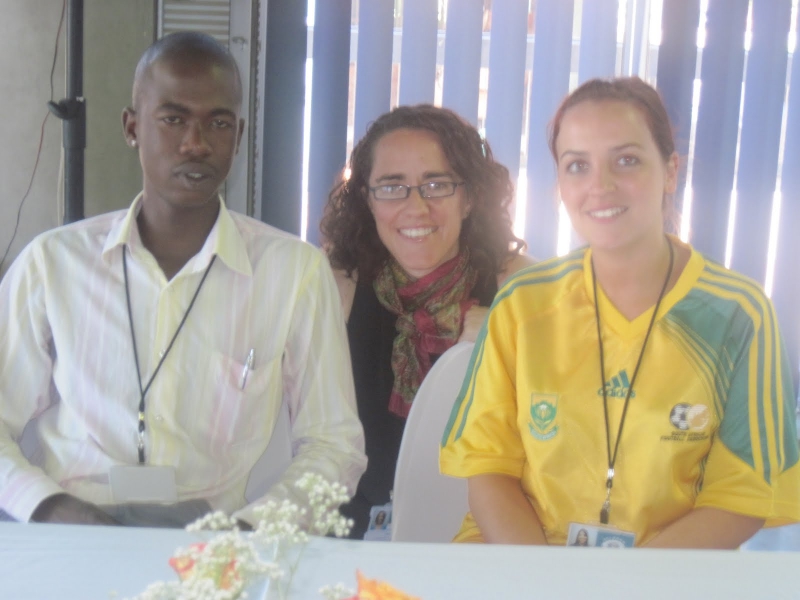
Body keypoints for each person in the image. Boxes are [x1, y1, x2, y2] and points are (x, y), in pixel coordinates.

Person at [0, 32, 365, 528]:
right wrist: (48, 507)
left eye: (218, 123)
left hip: (214, 537)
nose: (196, 144)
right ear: (132, 127)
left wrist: (251, 531)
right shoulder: (51, 264)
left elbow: (335, 445)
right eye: (173, 119)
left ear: (238, 136)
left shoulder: (293, 272)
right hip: (70, 524)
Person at [440, 77, 800, 548]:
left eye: (626, 160)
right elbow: (488, 468)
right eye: (577, 166)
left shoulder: (737, 315)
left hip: (668, 570)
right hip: (520, 556)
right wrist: (542, 578)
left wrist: (627, 582)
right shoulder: (521, 304)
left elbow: (744, 494)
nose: (601, 186)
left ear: (670, 171)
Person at [321, 105, 532, 538]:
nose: (416, 207)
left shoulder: (526, 292)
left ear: (469, 197)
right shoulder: (330, 287)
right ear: (367, 199)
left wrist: (508, 348)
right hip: (350, 545)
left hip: (481, 542)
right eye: (391, 187)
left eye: (437, 185)